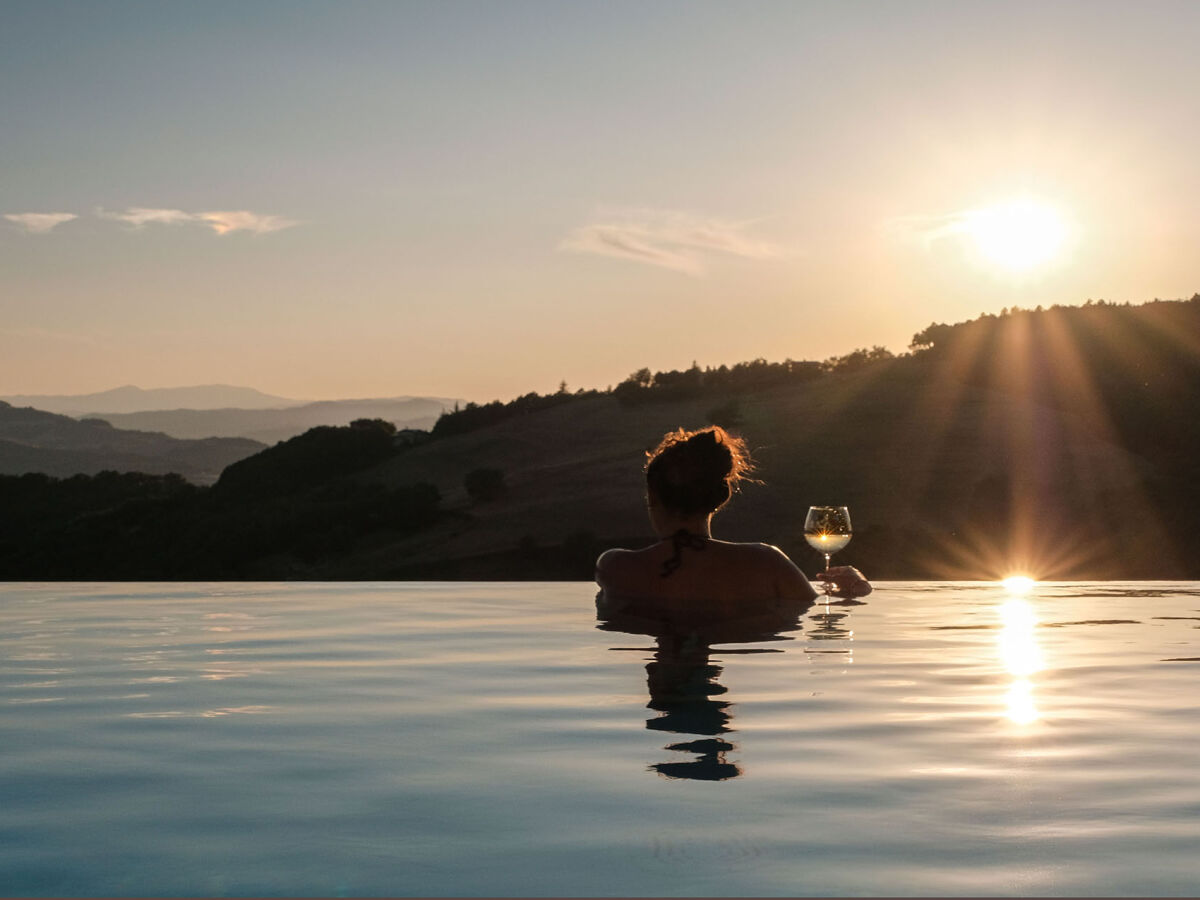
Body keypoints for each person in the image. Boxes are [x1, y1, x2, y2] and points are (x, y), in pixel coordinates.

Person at [595, 426, 870, 612]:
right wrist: (856, 587)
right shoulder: (767, 563)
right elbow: (821, 612)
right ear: (720, 498)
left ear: (652, 498)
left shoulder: (615, 567)